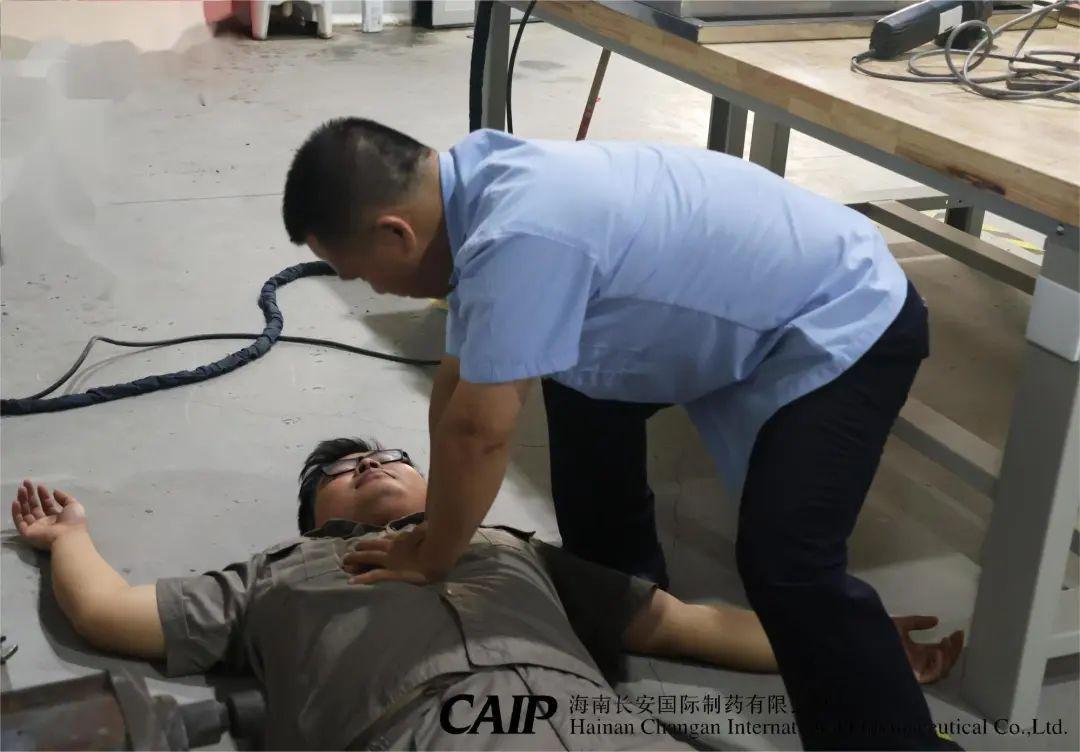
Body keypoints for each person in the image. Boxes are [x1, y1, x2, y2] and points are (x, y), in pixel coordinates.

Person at [282, 119, 956, 750]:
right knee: (576, 388)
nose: (375, 290)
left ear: (396, 233)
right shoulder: (476, 192)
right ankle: (621, 591)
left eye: (361, 274)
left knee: (786, 561)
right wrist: (435, 530)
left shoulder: (518, 236)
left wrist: (433, 556)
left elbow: (480, 433)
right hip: (753, 297)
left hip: (844, 312)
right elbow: (459, 387)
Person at [11, 439, 962, 750]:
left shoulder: (513, 550)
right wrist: (70, 539)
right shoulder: (277, 574)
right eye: (341, 470)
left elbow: (683, 624)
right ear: (314, 517)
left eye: (387, 454)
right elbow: (109, 614)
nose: (369, 464)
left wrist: (857, 645)